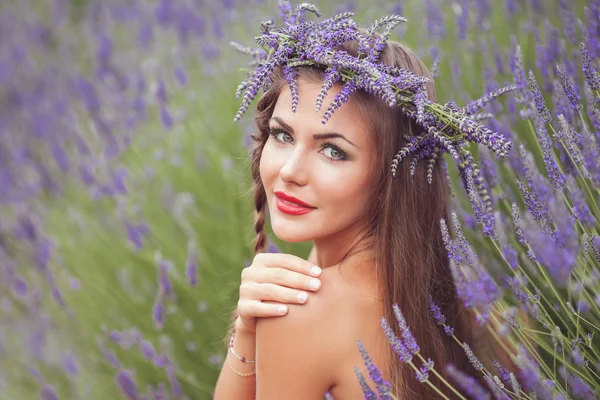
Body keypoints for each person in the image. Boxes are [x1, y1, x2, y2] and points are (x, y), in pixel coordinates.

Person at [214, 6, 518, 400]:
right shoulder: (469, 294)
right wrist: (247, 329)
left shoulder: (301, 311)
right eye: (283, 135)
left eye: (333, 152)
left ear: (391, 175)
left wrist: (249, 332)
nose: (290, 171)